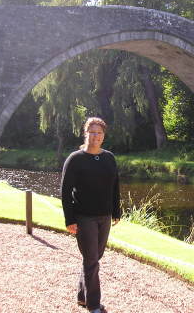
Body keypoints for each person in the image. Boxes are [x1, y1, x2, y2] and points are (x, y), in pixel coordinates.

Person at [60, 117, 121, 313]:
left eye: (99, 133)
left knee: (93, 257)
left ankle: (82, 297)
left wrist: (116, 211)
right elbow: (65, 190)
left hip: (105, 216)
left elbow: (115, 186)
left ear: (103, 136)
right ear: (85, 134)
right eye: (92, 132)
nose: (95, 136)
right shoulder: (75, 159)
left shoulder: (109, 158)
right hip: (84, 217)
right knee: (91, 259)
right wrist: (70, 219)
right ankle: (94, 305)